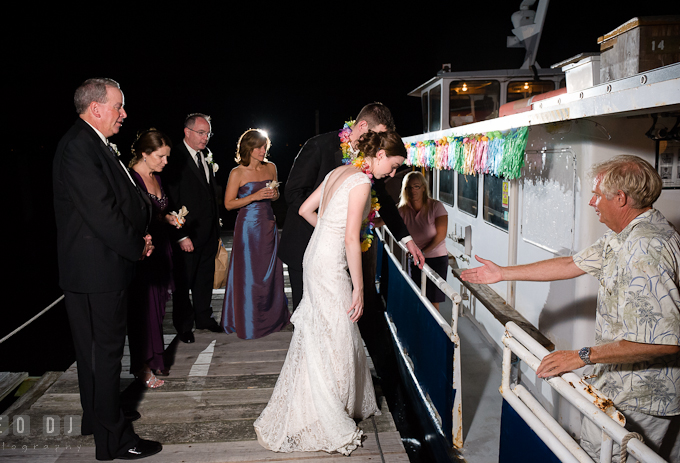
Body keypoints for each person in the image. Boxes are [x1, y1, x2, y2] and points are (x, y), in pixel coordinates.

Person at [460, 155, 680, 462]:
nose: (592, 202)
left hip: (640, 396)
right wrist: (503, 273)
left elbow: (663, 343)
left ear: (621, 198)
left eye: (597, 195)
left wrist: (580, 356)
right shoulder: (630, 233)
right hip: (621, 385)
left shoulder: (644, 249)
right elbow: (570, 264)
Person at [254, 130, 407, 455]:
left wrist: (329, 228)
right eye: (393, 166)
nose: (393, 174)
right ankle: (323, 411)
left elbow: (304, 211)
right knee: (336, 333)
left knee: (326, 332)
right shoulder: (362, 182)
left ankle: (326, 401)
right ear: (379, 156)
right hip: (329, 265)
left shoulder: (339, 171)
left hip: (314, 256)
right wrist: (360, 288)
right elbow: (352, 240)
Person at [52, 78, 162, 460]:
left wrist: (140, 235)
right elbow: (102, 212)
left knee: (95, 354)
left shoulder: (91, 143)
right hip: (97, 270)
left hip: (100, 266)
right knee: (105, 355)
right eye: (119, 106)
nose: (124, 113)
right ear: (96, 108)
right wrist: (136, 245)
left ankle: (97, 416)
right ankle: (114, 440)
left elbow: (122, 200)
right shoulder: (79, 147)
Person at [278, 102, 425, 310]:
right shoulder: (320, 146)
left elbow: (382, 200)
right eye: (379, 134)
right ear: (363, 126)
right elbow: (293, 194)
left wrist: (407, 239)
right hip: (305, 245)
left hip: (340, 254)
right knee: (306, 314)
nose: (381, 142)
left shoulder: (372, 160)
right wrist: (329, 228)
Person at [221, 129, 290, 339]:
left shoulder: (271, 167)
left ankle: (273, 318)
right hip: (248, 227)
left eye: (265, 147)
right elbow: (228, 204)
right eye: (259, 147)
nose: (263, 151)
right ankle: (248, 320)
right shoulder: (237, 172)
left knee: (270, 273)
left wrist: (274, 193)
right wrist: (255, 196)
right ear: (248, 148)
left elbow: (276, 194)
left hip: (268, 223)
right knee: (250, 274)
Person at [164, 113, 223, 342]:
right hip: (187, 233)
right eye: (201, 132)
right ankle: (184, 326)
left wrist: (216, 230)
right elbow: (171, 198)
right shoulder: (174, 157)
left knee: (204, 277)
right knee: (184, 281)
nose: (205, 137)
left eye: (208, 133)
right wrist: (180, 235)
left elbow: (210, 195)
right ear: (187, 132)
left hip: (208, 232)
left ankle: (204, 318)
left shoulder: (206, 156)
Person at [127, 129, 178, 388]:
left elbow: (160, 211)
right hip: (143, 253)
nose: (165, 162)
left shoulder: (156, 176)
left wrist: (170, 218)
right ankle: (142, 367)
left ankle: (153, 360)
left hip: (162, 249)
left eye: (167, 157)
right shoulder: (131, 179)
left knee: (157, 311)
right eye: (161, 156)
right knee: (142, 312)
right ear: (145, 154)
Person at [398, 171, 449, 310]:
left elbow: (441, 235)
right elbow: (384, 221)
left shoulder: (436, 206)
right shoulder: (403, 210)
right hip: (415, 259)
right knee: (416, 298)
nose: (413, 191)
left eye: (416, 186)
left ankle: (435, 330)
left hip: (436, 259)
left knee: (433, 303)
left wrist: (423, 252)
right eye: (409, 187)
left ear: (423, 188)